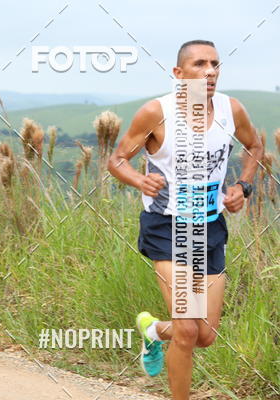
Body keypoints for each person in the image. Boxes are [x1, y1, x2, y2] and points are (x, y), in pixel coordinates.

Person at [108, 40, 262, 399]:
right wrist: (139, 180)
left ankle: (153, 331)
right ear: (178, 73)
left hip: (210, 227)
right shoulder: (155, 112)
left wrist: (243, 186)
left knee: (204, 335)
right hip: (167, 228)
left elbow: (255, 146)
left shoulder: (231, 109)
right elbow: (117, 159)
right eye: (199, 64)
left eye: (215, 64)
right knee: (188, 330)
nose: (210, 72)